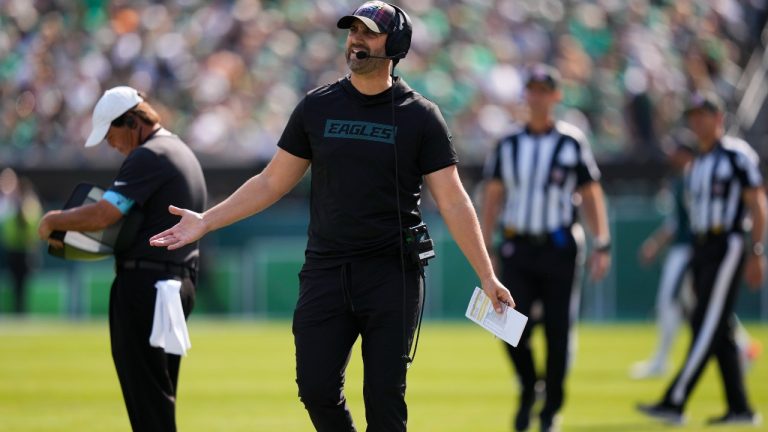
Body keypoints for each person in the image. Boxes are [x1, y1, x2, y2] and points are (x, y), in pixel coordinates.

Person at [149, 2, 514, 431]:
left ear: (395, 44)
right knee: (316, 389)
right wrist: (206, 220)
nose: (356, 39)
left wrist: (487, 276)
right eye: (352, 30)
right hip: (326, 270)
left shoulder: (421, 116)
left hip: (391, 275)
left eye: (369, 32)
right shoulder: (316, 107)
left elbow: (453, 201)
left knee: (384, 400)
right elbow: (270, 183)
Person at [38, 86, 207, 432]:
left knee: (147, 401)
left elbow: (104, 215)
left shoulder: (150, 154)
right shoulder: (180, 150)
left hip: (147, 284)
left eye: (111, 134)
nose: (110, 144)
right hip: (175, 283)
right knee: (159, 397)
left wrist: (53, 219)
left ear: (131, 121)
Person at [480, 64, 611, 432]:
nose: (537, 96)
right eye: (532, 89)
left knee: (558, 331)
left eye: (544, 89)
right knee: (508, 326)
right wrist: (486, 243)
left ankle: (551, 408)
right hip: (518, 246)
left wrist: (602, 241)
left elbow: (590, 192)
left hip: (559, 246)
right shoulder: (508, 143)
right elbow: (492, 194)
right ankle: (528, 387)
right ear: (526, 95)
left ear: (556, 95)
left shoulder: (571, 141)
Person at [637, 91, 765, 426]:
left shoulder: (737, 155)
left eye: (704, 114)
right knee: (717, 327)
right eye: (693, 115)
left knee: (706, 324)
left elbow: (757, 204)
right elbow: (692, 218)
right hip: (703, 246)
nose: (698, 121)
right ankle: (740, 408)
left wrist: (757, 251)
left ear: (719, 118)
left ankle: (674, 400)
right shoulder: (696, 167)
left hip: (729, 242)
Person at [630, 133, 696, 379]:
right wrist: (655, 244)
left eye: (676, 151)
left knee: (670, 302)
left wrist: (655, 244)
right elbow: (674, 222)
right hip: (684, 249)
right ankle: (742, 350)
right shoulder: (680, 180)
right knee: (698, 305)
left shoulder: (693, 178)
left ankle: (661, 360)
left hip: (689, 250)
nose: (671, 155)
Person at [1, 169, 42, 314]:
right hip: (14, 249)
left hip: (25, 249)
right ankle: (18, 310)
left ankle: (21, 310)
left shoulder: (30, 204)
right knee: (15, 282)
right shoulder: (10, 203)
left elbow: (33, 225)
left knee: (23, 283)